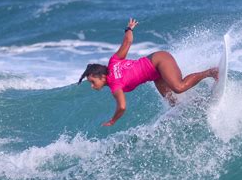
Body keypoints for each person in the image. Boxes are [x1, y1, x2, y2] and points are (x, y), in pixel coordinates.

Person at [78, 18, 218, 126]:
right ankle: (200, 104)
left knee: (179, 87)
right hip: (155, 74)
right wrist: (129, 28)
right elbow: (127, 42)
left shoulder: (115, 85)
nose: (92, 85)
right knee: (175, 104)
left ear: (102, 77)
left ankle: (210, 72)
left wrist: (113, 120)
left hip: (159, 61)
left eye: (92, 81)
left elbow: (122, 107)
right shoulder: (113, 61)